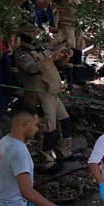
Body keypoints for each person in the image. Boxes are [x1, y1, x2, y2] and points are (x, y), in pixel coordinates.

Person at [15, 24, 74, 172]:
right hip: (40, 95)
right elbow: (31, 69)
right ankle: (45, 162)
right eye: (31, 32)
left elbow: (56, 63)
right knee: (47, 129)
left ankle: (64, 153)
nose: (35, 35)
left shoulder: (40, 48)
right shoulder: (22, 53)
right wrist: (50, 58)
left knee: (64, 121)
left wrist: (64, 57)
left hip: (53, 92)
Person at [48, 0, 103, 89]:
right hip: (65, 22)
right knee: (69, 47)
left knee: (78, 48)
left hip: (77, 22)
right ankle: (68, 78)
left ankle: (77, 77)